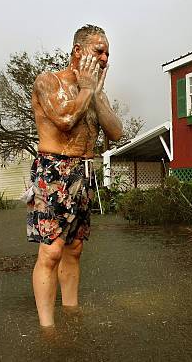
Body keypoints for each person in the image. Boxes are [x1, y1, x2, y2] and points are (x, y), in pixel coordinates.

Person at [27, 24, 122, 327]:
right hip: (54, 167)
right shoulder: (48, 81)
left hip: (83, 170)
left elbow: (116, 132)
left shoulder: (95, 94)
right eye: (99, 50)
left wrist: (95, 95)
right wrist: (86, 90)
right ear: (78, 51)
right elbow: (65, 119)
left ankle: (71, 310)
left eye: (108, 52)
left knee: (75, 248)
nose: (105, 58)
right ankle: (47, 327)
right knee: (52, 251)